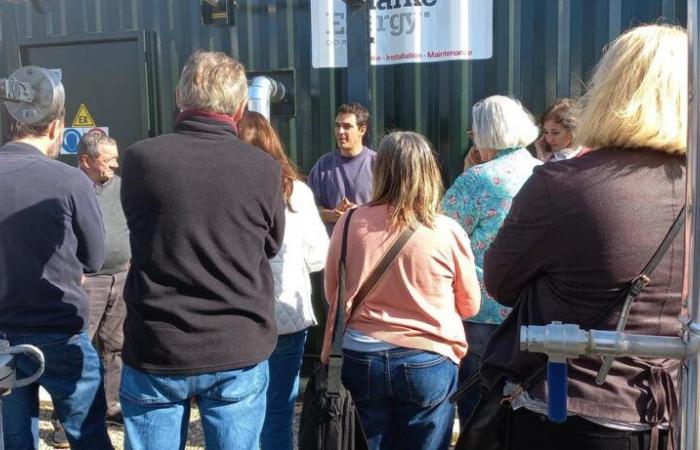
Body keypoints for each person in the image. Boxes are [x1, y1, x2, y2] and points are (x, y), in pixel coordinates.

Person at [480, 24, 686, 449]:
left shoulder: (562, 184)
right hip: (670, 413)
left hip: (565, 409)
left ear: (609, 88)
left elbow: (500, 283)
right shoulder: (690, 186)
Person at [119, 50, 285, 450]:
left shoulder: (141, 159)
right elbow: (273, 244)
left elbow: (140, 230)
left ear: (179, 97)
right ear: (241, 108)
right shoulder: (263, 168)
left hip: (159, 345)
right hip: (236, 344)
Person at [321, 131, 481, 450]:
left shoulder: (350, 222)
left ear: (380, 172)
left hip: (360, 356)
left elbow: (331, 294)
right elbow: (470, 306)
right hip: (429, 359)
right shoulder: (447, 231)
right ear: (430, 172)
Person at [0, 107, 112, 449]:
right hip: (59, 329)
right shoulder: (69, 180)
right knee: (88, 435)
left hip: (3, 336)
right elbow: (94, 259)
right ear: (54, 128)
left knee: (15, 439)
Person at [441, 95, 541, 424]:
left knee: (479, 410)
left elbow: (442, 236)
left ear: (484, 134)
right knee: (526, 407)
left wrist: (469, 172)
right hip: (536, 311)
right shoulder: (546, 172)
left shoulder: (477, 180)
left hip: (483, 312)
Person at [238, 111, 329, 450]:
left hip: (239, 318)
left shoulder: (227, 190)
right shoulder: (297, 193)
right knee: (278, 409)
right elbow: (319, 255)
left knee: (240, 410)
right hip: (287, 315)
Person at [51, 131, 128, 447]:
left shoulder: (121, 187)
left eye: (116, 158)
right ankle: (64, 422)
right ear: (85, 161)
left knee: (117, 345)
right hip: (86, 280)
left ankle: (111, 405)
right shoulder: (68, 186)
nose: (114, 164)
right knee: (76, 350)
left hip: (121, 277)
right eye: (108, 159)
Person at [308, 103, 376, 235]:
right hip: (333, 249)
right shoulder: (323, 166)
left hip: (368, 247)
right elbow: (309, 209)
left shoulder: (377, 164)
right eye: (337, 126)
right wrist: (332, 214)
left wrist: (360, 213)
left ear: (362, 130)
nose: (340, 132)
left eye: (347, 127)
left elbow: (391, 210)